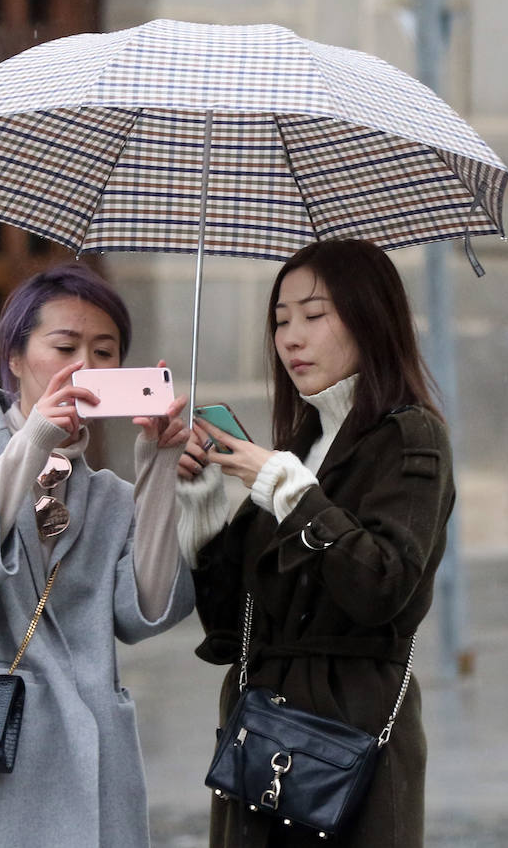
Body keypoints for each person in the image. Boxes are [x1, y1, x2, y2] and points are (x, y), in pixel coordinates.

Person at [0, 262, 195, 848]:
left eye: (105, 351)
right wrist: (33, 442)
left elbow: (146, 610)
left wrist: (157, 469)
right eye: (65, 346)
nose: (87, 367)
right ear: (16, 357)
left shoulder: (107, 494)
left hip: (84, 765)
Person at [176, 239, 455, 848]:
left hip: (350, 733)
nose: (291, 338)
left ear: (369, 318)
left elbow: (381, 584)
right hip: (260, 738)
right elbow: (229, 628)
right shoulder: (300, 445)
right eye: (280, 320)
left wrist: (291, 492)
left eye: (314, 314)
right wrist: (203, 507)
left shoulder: (411, 439)